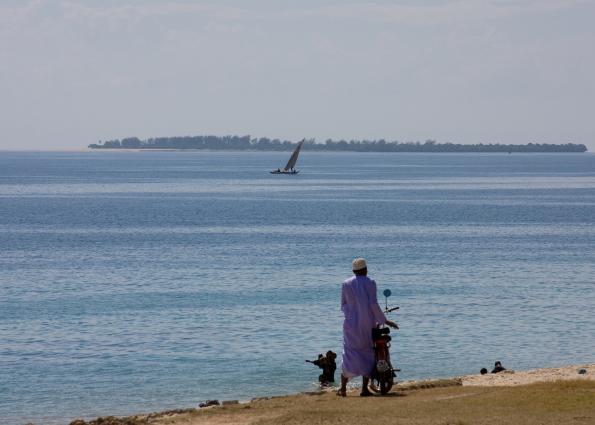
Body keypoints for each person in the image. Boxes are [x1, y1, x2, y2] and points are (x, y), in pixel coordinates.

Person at [337, 258, 398, 397]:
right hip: (367, 325)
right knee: (368, 354)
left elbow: (343, 305)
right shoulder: (370, 282)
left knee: (349, 353)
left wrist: (352, 315)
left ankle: (343, 389)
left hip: (350, 326)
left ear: (353, 271)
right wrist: (385, 320)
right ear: (365, 270)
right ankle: (364, 389)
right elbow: (373, 304)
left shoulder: (346, 283)